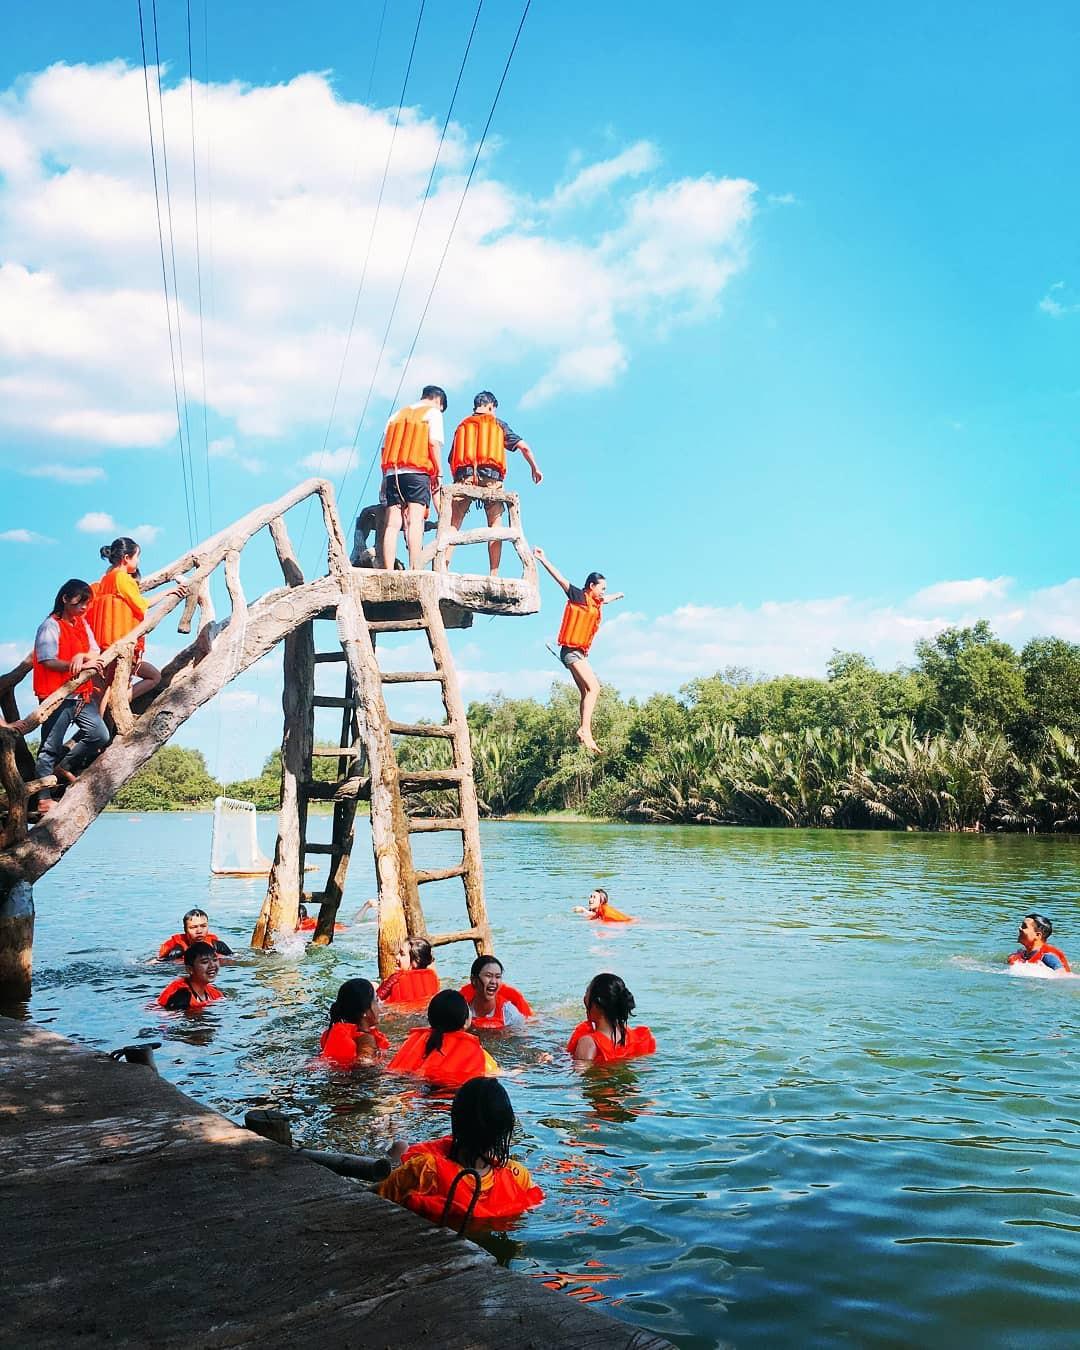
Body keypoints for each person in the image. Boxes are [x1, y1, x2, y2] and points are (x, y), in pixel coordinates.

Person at [379, 1077, 543, 1227]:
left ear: (455, 1121)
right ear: (506, 1128)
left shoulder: (425, 1170)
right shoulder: (518, 1177)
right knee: (401, 1149)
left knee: (399, 1147)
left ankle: (393, 1136)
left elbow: (374, 1199)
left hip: (423, 1170)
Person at [533, 548, 623, 754]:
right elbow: (560, 578)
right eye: (602, 588)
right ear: (591, 586)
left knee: (585, 691)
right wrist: (542, 559)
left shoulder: (596, 601)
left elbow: (604, 600)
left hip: (577, 653)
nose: (604, 592)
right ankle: (585, 730)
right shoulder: (578, 596)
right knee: (595, 688)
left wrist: (617, 596)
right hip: (571, 651)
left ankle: (584, 731)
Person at [31, 579, 110, 815]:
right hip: (57, 695)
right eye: (80, 602)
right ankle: (43, 799)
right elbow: (47, 660)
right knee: (48, 747)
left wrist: (83, 655)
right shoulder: (50, 626)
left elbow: (95, 650)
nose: (84, 608)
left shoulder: (81, 623)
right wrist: (72, 665)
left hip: (81, 695)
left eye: (87, 603)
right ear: (65, 599)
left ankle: (62, 766)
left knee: (99, 735)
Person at [446, 391, 542, 576]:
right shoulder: (498, 424)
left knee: (453, 524)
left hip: (464, 477)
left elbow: (452, 458)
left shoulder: (462, 426)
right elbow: (524, 447)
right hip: (492, 479)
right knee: (495, 525)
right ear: (490, 406)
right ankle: (494, 573)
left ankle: (444, 566)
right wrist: (534, 468)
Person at [86, 536, 187, 705]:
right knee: (153, 677)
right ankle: (117, 704)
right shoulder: (122, 578)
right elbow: (142, 605)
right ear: (126, 558)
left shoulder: (106, 579)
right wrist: (168, 592)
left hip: (107, 644)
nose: (138, 561)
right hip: (122, 644)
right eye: (137, 556)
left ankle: (112, 710)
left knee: (108, 687)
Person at [379, 385, 447, 570]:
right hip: (417, 472)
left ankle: (388, 570)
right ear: (438, 401)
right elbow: (433, 444)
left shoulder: (397, 415)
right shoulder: (433, 413)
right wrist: (439, 472)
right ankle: (415, 568)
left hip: (393, 473)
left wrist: (384, 478)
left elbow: (384, 449)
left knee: (392, 524)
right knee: (415, 521)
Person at [386, 990, 498, 1086]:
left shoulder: (414, 1041)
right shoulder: (477, 1052)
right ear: (464, 1022)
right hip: (444, 1098)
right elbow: (495, 1073)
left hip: (406, 1087)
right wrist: (516, 1071)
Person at [567, 973, 656, 1064]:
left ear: (597, 1004)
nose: (584, 998)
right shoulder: (636, 1038)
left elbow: (578, 1074)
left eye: (587, 993)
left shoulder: (589, 1042)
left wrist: (552, 1063)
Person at [319, 978, 389, 1064]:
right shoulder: (366, 1040)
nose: (379, 1005)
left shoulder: (329, 1034)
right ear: (364, 1012)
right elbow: (365, 1067)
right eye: (376, 1001)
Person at [458, 955, 533, 1029]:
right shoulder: (461, 1008)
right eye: (488, 976)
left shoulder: (509, 1013)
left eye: (498, 977)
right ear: (474, 980)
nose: (493, 981)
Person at [156, 941, 223, 1011]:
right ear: (189, 969)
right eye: (205, 962)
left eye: (215, 960)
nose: (212, 965)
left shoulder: (214, 992)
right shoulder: (180, 996)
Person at [377, 937, 440, 1006]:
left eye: (402, 954)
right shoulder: (432, 978)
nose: (397, 957)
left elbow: (377, 999)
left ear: (415, 962)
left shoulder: (396, 979)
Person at [157, 908, 234, 960]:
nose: (199, 931)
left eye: (203, 926)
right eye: (193, 927)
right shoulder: (177, 950)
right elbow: (159, 964)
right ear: (185, 930)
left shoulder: (217, 946)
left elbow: (236, 958)